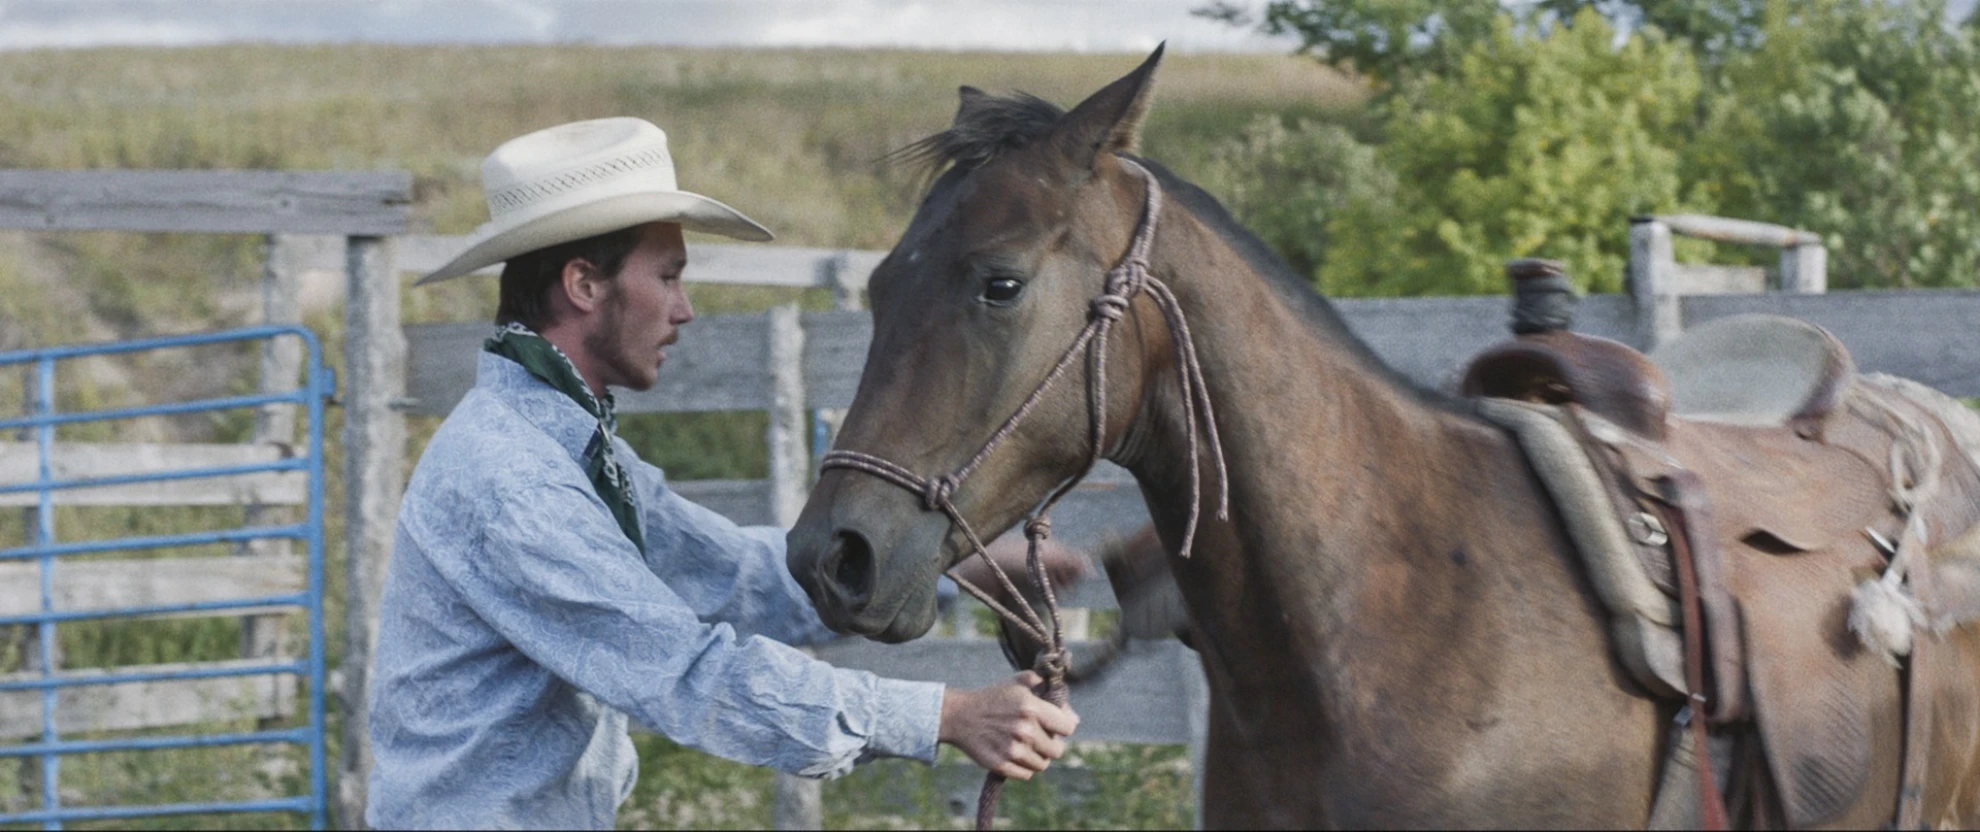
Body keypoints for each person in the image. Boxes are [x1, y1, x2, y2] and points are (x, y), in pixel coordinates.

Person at [367, 117, 1082, 829]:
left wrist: (956, 575)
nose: (685, 310)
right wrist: (946, 717)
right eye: (669, 277)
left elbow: (737, 574)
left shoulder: (569, 452)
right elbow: (685, 672)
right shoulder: (513, 479)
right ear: (585, 284)